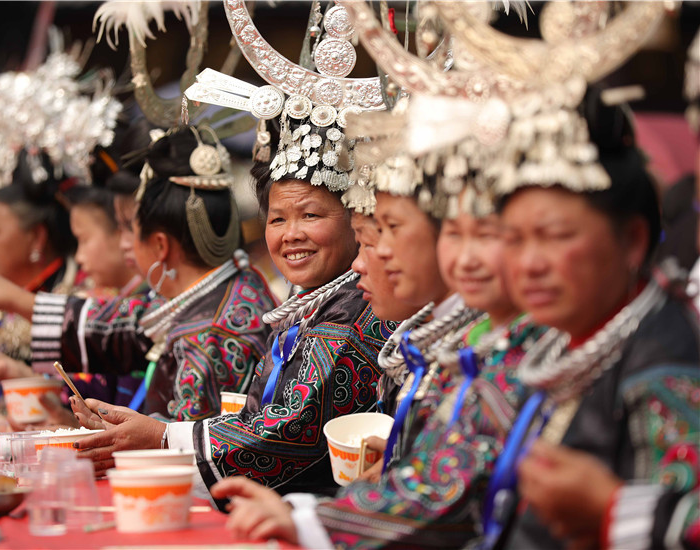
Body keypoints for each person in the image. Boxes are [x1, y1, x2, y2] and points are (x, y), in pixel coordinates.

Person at [209, 153, 544, 549]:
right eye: (277, 218)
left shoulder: (503, 351)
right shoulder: (449, 342)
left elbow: (452, 489)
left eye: (388, 232)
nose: (374, 257)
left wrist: (312, 521)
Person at [71, 104, 395, 504]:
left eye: (310, 215)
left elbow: (288, 429)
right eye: (277, 219)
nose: (291, 234)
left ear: (355, 221)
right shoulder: (308, 300)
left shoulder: (356, 312)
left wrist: (158, 437)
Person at [486, 89, 700, 550]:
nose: (529, 264)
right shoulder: (568, 339)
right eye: (514, 239)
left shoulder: (665, 362)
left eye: (555, 236)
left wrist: (611, 509)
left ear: (633, 241)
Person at [0, 126, 276, 419]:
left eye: (129, 228)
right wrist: (17, 300)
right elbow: (119, 325)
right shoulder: (215, 292)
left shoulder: (216, 333)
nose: (124, 242)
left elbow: (185, 451)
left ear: (159, 245)